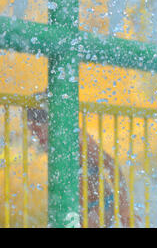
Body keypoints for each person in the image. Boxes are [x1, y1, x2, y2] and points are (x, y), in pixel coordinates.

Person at [27, 91, 131, 227]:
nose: (36, 136)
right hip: (77, 210)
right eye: (32, 131)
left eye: (38, 130)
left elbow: (111, 165)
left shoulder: (77, 137)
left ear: (53, 123)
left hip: (99, 205)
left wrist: (124, 205)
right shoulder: (51, 143)